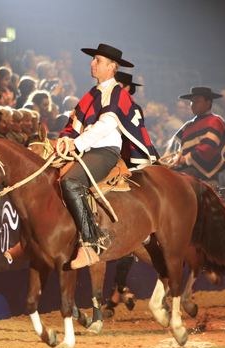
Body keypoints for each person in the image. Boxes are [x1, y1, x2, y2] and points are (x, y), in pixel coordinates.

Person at [58, 44, 156, 269]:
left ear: (112, 67)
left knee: (70, 182)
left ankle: (91, 244)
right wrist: (64, 140)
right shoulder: (92, 94)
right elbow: (73, 122)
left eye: (98, 60)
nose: (92, 64)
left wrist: (76, 143)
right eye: (93, 60)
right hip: (84, 149)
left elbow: (105, 125)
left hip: (103, 152)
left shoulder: (118, 94)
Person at [168, 86, 225, 187]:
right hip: (187, 169)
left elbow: (208, 148)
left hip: (205, 174)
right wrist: (175, 159)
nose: (193, 105)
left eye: (197, 101)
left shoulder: (215, 121)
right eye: (192, 102)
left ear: (208, 103)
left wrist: (185, 159)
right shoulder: (188, 125)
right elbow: (177, 148)